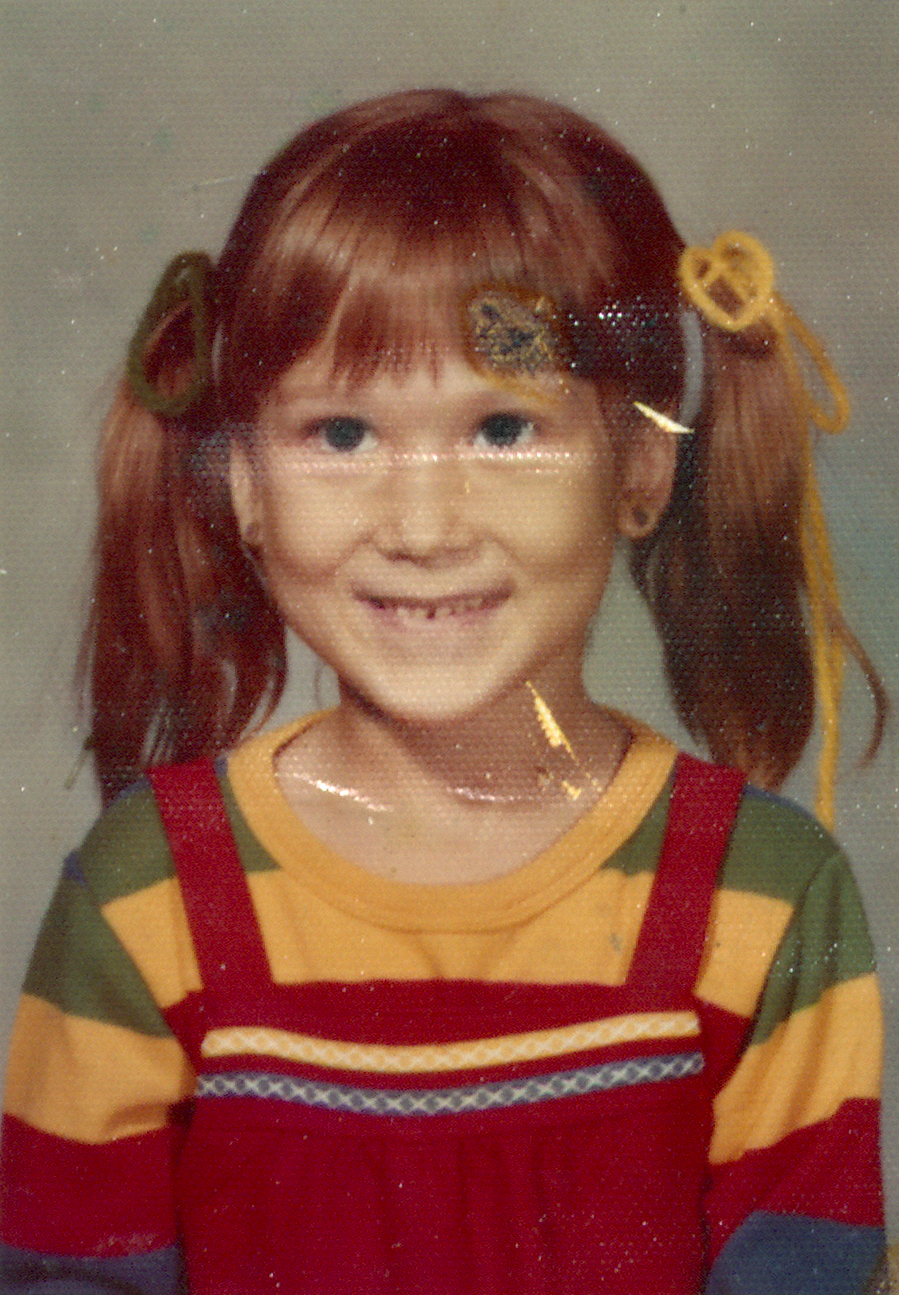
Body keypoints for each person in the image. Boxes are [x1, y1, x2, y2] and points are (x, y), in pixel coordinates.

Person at [0, 89, 889, 1294]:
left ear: (638, 465)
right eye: (342, 435)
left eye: (503, 428)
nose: (421, 528)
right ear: (243, 480)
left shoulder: (763, 899)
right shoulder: (145, 896)